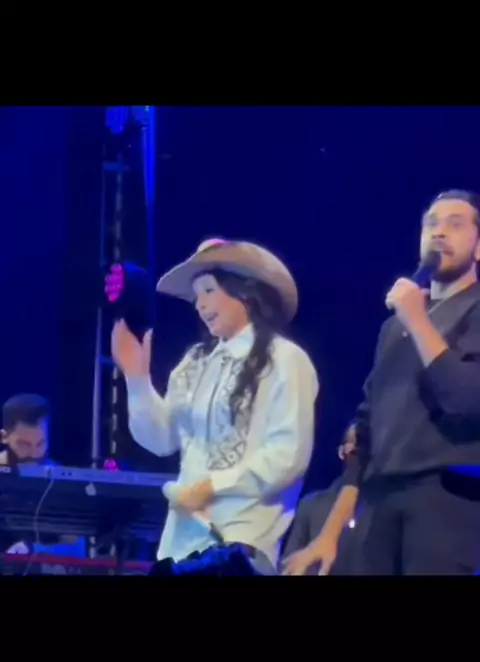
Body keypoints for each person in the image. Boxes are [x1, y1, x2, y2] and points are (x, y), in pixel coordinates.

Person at [284, 189, 480, 575]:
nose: (439, 232)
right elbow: (365, 434)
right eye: (431, 224)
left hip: (446, 506)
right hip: (379, 506)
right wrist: (329, 533)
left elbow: (467, 401)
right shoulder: (393, 328)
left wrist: (417, 320)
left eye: (455, 225)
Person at [112, 238, 319, 573]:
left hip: (239, 539)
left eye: (209, 290)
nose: (200, 304)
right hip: (181, 543)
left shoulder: (285, 359)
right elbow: (162, 439)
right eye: (196, 296)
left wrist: (213, 487)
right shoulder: (196, 361)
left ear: (245, 292)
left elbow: (286, 456)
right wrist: (136, 378)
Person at [0, 394, 86, 559]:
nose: (34, 454)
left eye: (40, 443)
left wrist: (35, 550)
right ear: (4, 437)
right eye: (24, 444)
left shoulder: (61, 482)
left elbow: (77, 549)